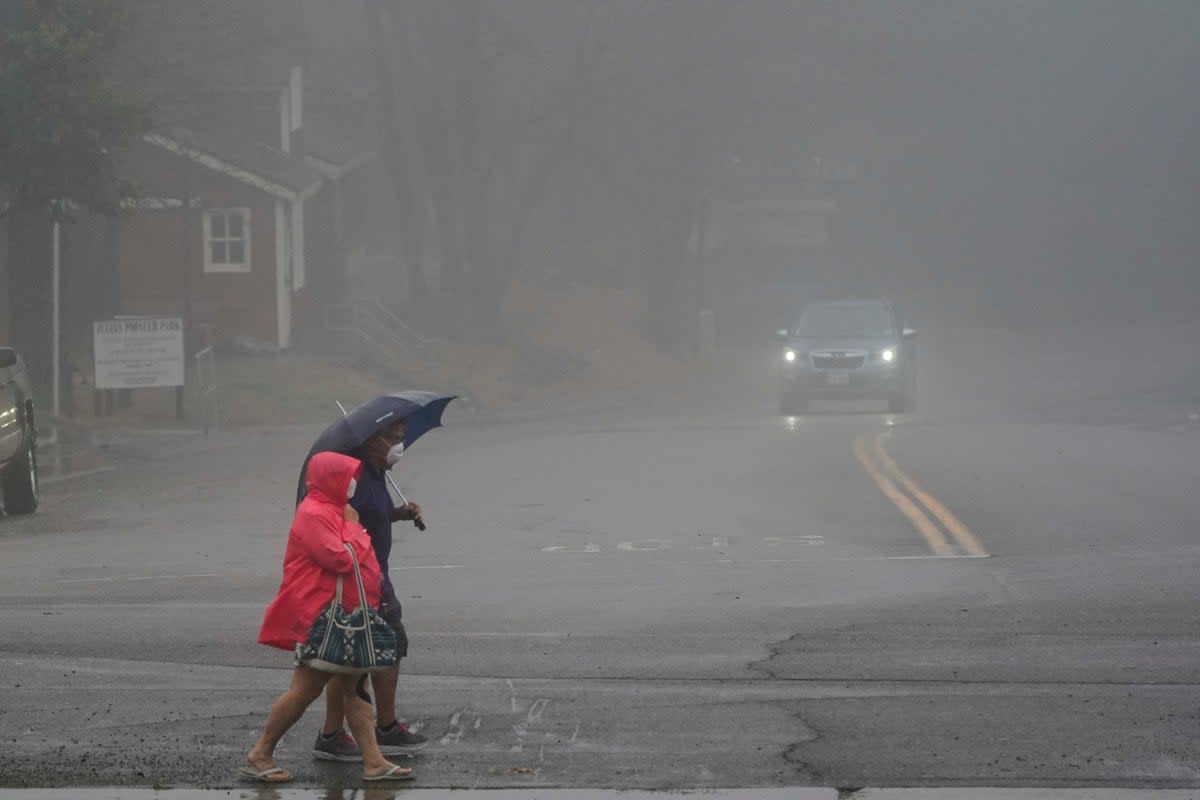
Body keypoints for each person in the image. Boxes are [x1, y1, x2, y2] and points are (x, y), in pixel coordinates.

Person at [242, 451, 414, 783]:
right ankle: (260, 754)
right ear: (329, 478)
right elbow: (339, 558)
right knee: (305, 689)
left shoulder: (336, 510)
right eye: (347, 475)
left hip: (346, 618)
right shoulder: (313, 513)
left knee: (354, 687)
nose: (353, 482)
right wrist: (353, 528)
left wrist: (351, 526)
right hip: (321, 619)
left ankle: (374, 762)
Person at [310, 418, 431, 762]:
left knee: (380, 651)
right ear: (371, 441)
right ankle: (339, 733)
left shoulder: (377, 473)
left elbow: (371, 516)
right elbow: (343, 522)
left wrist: (398, 514)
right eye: (393, 438)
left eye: (401, 438)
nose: (399, 445)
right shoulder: (355, 478)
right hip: (361, 583)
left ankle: (381, 727)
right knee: (354, 661)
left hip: (377, 578)